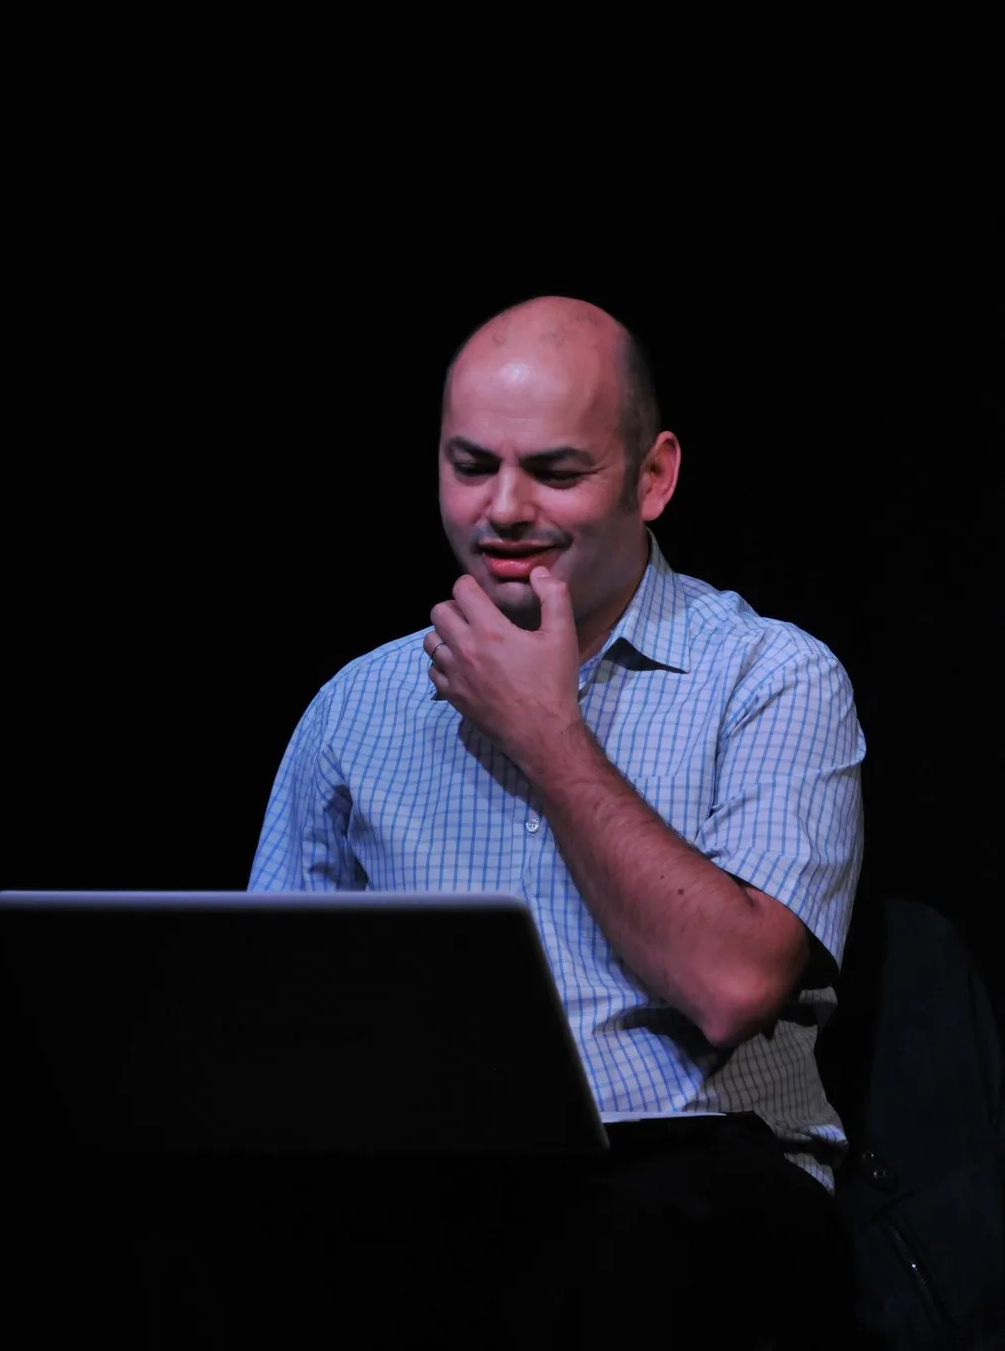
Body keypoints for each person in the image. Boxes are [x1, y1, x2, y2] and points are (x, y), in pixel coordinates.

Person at [248, 295, 865, 1347]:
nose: (503, 509)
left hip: (698, 1169)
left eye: (555, 471)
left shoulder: (770, 676)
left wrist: (548, 737)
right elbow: (270, 1011)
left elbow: (731, 987)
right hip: (431, 1174)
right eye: (470, 466)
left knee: (618, 1251)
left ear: (651, 477)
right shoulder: (358, 704)